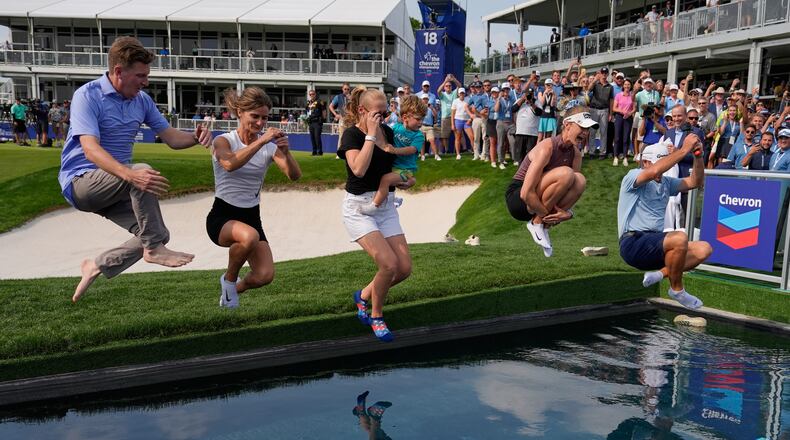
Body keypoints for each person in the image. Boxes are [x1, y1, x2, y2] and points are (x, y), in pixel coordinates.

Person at [59, 37, 213, 302]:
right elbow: (90, 149)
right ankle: (153, 250)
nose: (145, 82)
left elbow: (172, 138)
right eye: (140, 75)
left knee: (157, 232)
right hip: (81, 182)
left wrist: (196, 137)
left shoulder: (142, 100)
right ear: (119, 71)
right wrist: (130, 174)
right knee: (141, 172)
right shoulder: (87, 95)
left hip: (114, 185)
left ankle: (97, 265)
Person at [207, 87, 301, 308]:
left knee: (264, 275)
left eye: (265, 118)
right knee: (249, 236)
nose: (260, 123)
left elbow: (294, 176)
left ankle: (232, 292)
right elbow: (229, 164)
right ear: (240, 112)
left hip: (251, 216)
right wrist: (260, 142)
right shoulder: (224, 141)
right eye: (255, 116)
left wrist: (286, 152)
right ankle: (229, 280)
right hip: (222, 217)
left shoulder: (269, 147)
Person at [339, 86, 413, 342]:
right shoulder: (351, 135)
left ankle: (362, 296)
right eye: (379, 113)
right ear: (362, 111)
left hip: (386, 205)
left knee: (403, 269)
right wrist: (371, 135)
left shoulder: (389, 132)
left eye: (386, 112)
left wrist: (405, 179)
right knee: (389, 264)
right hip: (359, 208)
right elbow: (358, 169)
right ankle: (377, 315)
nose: (385, 117)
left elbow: (399, 168)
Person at [617, 137, 711, 310]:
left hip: (655, 245)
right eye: (660, 162)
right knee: (679, 237)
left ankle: (660, 274)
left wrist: (698, 156)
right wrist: (683, 150)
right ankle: (677, 290)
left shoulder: (666, 182)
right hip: (632, 243)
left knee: (704, 248)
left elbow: (695, 182)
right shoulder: (633, 176)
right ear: (645, 162)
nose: (665, 166)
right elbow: (653, 172)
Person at [505, 107, 595, 257]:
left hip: (538, 203)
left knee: (580, 180)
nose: (586, 133)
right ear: (567, 125)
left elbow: (570, 190)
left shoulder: (576, 155)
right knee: (566, 173)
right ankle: (538, 223)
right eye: (582, 127)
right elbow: (525, 192)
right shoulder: (547, 147)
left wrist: (567, 214)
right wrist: (544, 213)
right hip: (518, 200)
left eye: (588, 129)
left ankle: (544, 225)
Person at [358, 95, 425, 215]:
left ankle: (374, 206)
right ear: (405, 117)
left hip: (404, 170)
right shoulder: (396, 128)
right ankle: (392, 198)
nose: (421, 122)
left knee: (386, 179)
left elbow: (412, 149)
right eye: (418, 119)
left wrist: (394, 150)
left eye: (422, 119)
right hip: (393, 167)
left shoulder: (418, 135)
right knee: (382, 175)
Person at [586, 67, 615, 158]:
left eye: (605, 73)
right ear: (600, 73)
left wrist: (611, 113)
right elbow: (588, 89)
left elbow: (611, 101)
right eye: (602, 72)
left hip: (605, 110)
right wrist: (595, 79)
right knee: (592, 132)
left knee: (603, 132)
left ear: (607, 74)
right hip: (594, 109)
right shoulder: (595, 84)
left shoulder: (610, 86)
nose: (604, 74)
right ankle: (592, 151)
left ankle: (603, 152)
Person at [512, 87, 542, 165]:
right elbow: (513, 109)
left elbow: (539, 113)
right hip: (520, 132)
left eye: (530, 94)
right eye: (527, 94)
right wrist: (522, 100)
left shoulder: (537, 102)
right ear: (524, 94)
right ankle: (520, 172)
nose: (529, 96)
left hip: (532, 133)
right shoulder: (519, 101)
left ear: (533, 94)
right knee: (520, 154)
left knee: (530, 154)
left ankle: (528, 171)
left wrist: (531, 103)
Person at [438, 74, 462, 154]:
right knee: (445, 136)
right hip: (445, 117)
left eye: (449, 86)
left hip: (455, 117)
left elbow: (459, 86)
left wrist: (454, 79)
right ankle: (447, 150)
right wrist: (445, 81)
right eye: (447, 86)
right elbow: (438, 91)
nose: (448, 87)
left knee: (457, 134)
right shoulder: (443, 94)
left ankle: (457, 151)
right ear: (444, 87)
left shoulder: (454, 93)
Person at [613, 78, 635, 166]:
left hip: (628, 118)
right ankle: (616, 157)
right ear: (623, 85)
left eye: (628, 85)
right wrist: (622, 112)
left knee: (626, 138)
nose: (627, 86)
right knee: (617, 138)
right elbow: (614, 108)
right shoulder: (618, 95)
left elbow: (634, 108)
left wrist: (629, 113)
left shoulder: (632, 95)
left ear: (630, 86)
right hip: (619, 117)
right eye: (625, 84)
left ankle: (625, 157)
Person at [494, 82, 516, 169]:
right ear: (502, 91)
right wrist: (499, 98)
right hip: (501, 122)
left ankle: (515, 159)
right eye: (504, 90)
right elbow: (496, 109)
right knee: (501, 143)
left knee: (513, 142)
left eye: (507, 89)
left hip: (510, 123)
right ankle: (501, 161)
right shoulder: (499, 99)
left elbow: (513, 112)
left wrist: (514, 122)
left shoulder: (511, 99)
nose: (506, 91)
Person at [329, 83, 352, 157]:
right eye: (345, 89)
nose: (346, 90)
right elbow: (330, 106)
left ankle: (350, 153)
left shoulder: (352, 97)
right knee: (341, 136)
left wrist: (351, 99)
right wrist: (336, 114)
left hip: (351, 119)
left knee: (351, 136)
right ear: (342, 89)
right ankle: (339, 153)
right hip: (343, 119)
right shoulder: (338, 97)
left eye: (348, 89)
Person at [451, 87, 473, 160]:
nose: (462, 94)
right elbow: (453, 114)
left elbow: (471, 110)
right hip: (458, 120)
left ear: (464, 93)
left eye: (463, 93)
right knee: (458, 138)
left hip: (467, 121)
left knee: (472, 137)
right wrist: (453, 124)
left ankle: (475, 152)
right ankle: (458, 154)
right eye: (460, 93)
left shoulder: (468, 100)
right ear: (458, 94)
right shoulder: (455, 101)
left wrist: (470, 119)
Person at [418, 93, 439, 161]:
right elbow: (419, 117)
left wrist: (432, 108)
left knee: (432, 140)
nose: (425, 100)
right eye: (424, 99)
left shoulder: (431, 107)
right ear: (422, 100)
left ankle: (436, 155)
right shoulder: (420, 108)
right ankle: (422, 156)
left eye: (426, 99)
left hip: (429, 127)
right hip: (422, 126)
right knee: (422, 141)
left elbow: (435, 115)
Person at [305, 89, 326, 156]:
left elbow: (324, 110)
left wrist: (323, 119)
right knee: (312, 137)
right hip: (311, 122)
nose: (311, 95)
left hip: (317, 122)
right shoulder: (308, 103)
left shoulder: (320, 101)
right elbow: (307, 111)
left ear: (315, 94)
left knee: (317, 137)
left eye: (313, 94)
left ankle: (320, 151)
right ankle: (314, 151)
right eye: (310, 94)